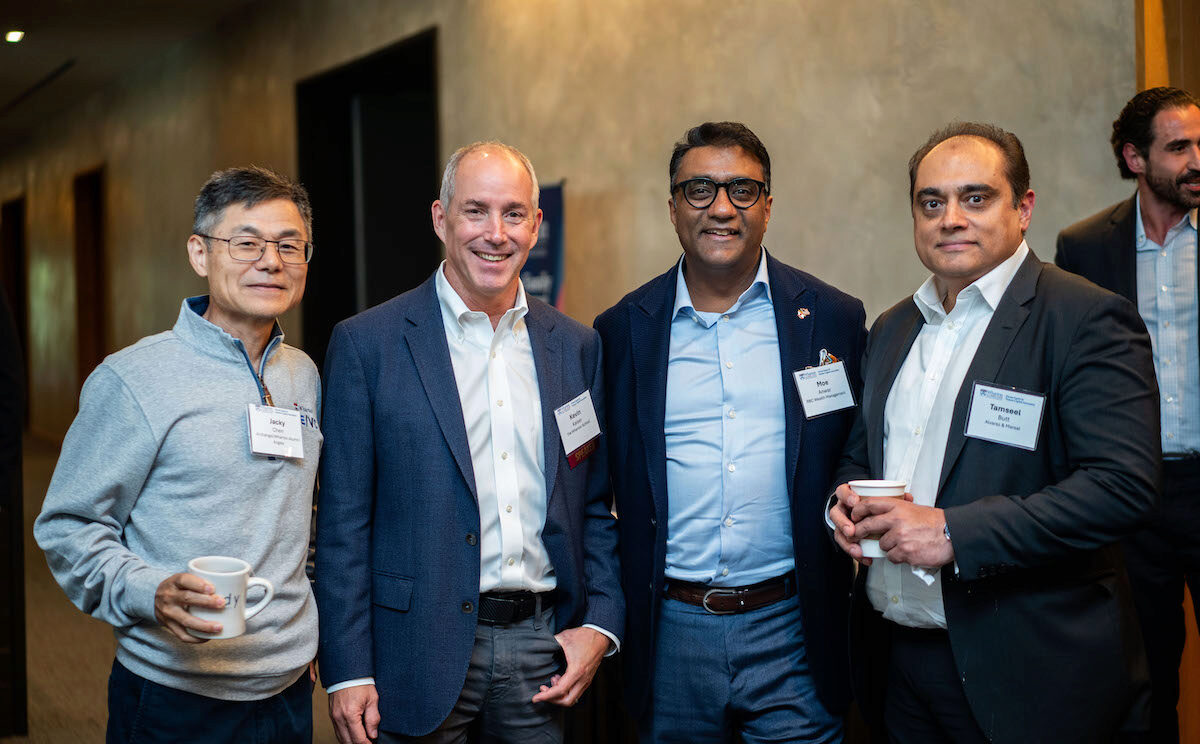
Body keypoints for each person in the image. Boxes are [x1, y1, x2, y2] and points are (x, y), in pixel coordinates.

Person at [829, 121, 1160, 744]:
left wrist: (954, 531)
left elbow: (1124, 488)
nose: (951, 218)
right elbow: (857, 455)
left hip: (1027, 667)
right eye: (932, 202)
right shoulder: (894, 327)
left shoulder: (1085, 318)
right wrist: (842, 507)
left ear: (1024, 209)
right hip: (898, 662)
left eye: (975, 198)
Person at [315, 141, 623, 744]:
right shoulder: (367, 345)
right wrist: (347, 667)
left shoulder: (576, 348)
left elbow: (595, 505)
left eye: (513, 214)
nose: (495, 233)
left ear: (536, 225)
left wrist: (601, 625)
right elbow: (343, 523)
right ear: (440, 218)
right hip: (413, 649)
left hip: (543, 650)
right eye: (475, 211)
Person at [595, 121, 866, 743]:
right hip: (669, 631)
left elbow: (857, 448)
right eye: (699, 190)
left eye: (743, 190)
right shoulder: (620, 332)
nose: (721, 207)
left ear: (768, 206)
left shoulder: (833, 318)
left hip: (794, 625)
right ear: (672, 209)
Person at [34, 166, 322, 743]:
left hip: (289, 689)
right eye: (246, 242)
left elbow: (303, 516)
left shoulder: (304, 373)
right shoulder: (134, 378)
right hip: (175, 697)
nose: (271, 260)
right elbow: (68, 527)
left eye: (290, 245)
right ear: (199, 253)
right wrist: (149, 592)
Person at [1056, 86, 1200, 742]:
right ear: (1135, 158)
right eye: (1180, 147)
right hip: (1133, 494)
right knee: (1147, 674)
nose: (1198, 159)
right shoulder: (1085, 247)